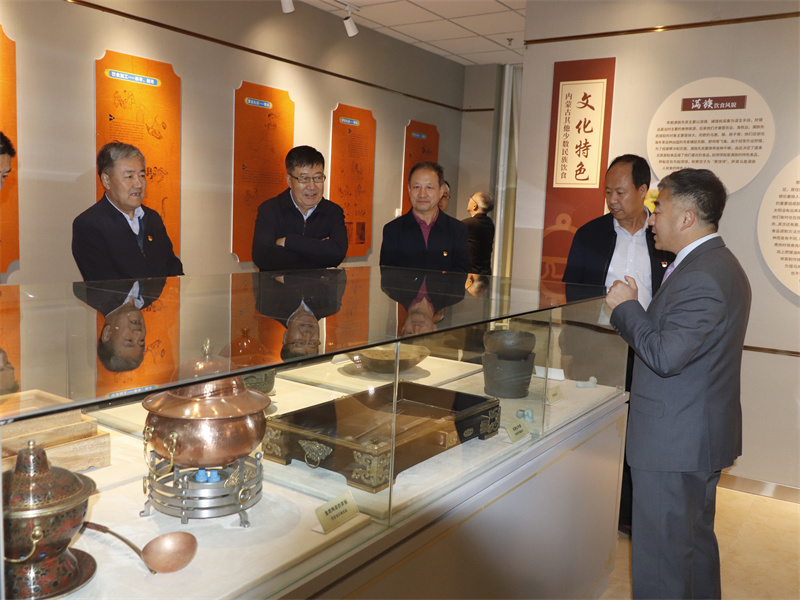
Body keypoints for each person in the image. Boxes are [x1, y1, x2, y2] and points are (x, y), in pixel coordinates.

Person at [605, 168, 751, 600]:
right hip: (694, 437)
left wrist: (627, 308)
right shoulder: (716, 265)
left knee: (662, 566)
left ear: (686, 218)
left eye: (659, 209)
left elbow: (666, 357)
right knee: (693, 549)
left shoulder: (702, 275)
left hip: (673, 442)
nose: (651, 219)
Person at [562, 154, 674, 534]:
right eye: (607, 191)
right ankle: (588, 507)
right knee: (594, 431)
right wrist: (573, 346)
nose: (612, 199)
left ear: (643, 191)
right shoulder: (589, 235)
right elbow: (571, 295)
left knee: (635, 433)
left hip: (644, 350)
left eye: (620, 192)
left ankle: (626, 514)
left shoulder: (661, 238)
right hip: (596, 348)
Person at [72, 142, 184, 282]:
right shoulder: (89, 224)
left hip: (161, 297)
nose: (138, 184)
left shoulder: (152, 218)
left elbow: (172, 266)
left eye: (142, 175)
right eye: (129, 176)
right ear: (107, 181)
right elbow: (104, 282)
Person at [252, 146, 348, 271]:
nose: (312, 186)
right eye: (304, 178)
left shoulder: (333, 212)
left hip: (319, 285)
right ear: (289, 180)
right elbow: (263, 258)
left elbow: (337, 254)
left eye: (318, 178)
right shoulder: (270, 210)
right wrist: (319, 252)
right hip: (277, 284)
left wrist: (289, 241)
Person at [380, 162, 470, 272]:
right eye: (417, 187)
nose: (422, 194)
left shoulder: (457, 230)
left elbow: (461, 275)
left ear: (441, 191)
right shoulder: (393, 230)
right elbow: (388, 277)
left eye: (429, 187)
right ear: (409, 190)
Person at [252, 268, 347, 360]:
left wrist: (294, 279)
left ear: (285, 338)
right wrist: (287, 279)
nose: (308, 335)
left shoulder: (267, 306)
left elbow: (265, 268)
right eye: (312, 343)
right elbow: (336, 270)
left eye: (299, 343)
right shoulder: (330, 306)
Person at [74, 278, 166, 372]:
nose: (138, 333)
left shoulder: (91, 292)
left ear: (107, 333)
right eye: (141, 341)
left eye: (129, 340)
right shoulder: (153, 293)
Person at [462, 191, 495, 275]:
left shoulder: (468, 224)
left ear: (475, 206)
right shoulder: (489, 223)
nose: (469, 199)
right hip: (485, 273)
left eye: (471, 198)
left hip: (471, 275)